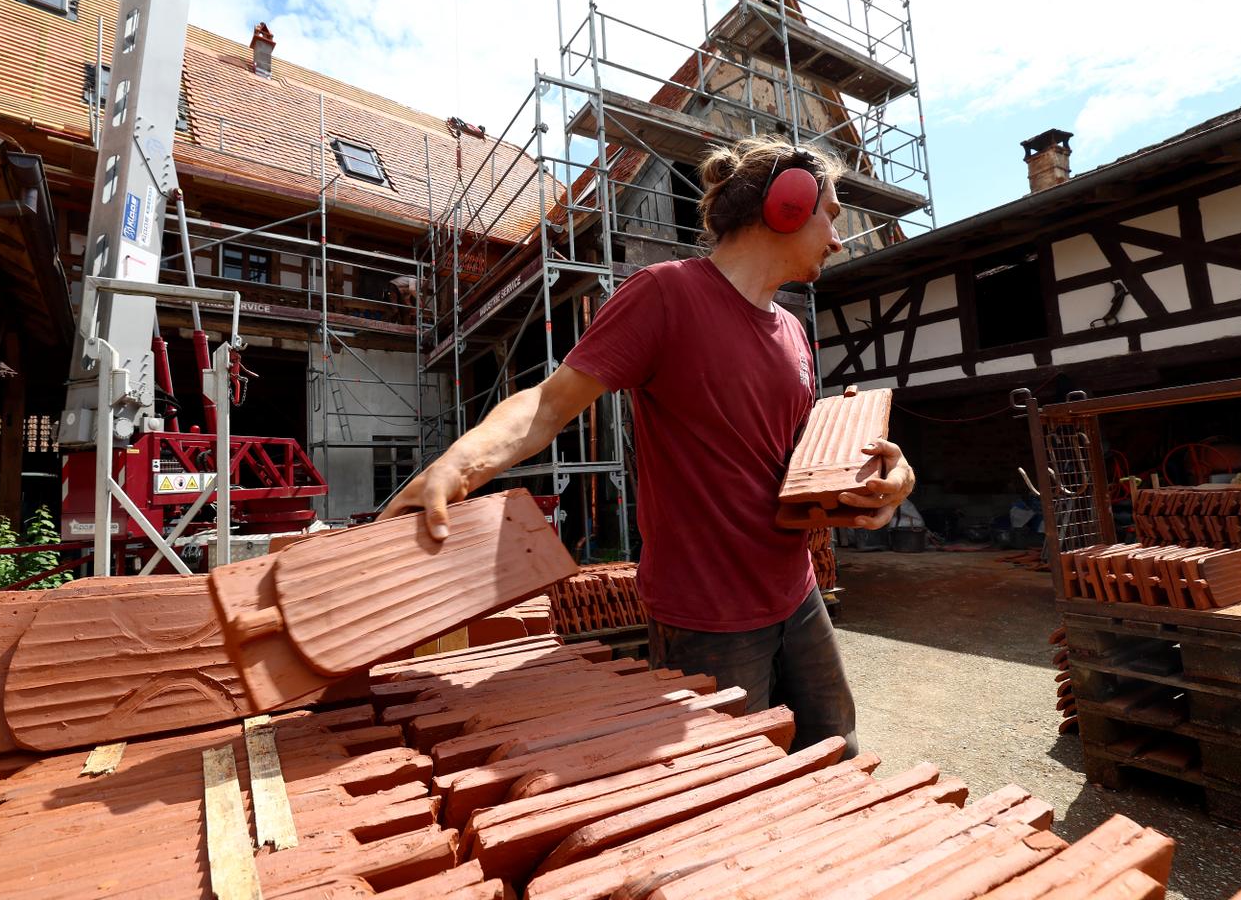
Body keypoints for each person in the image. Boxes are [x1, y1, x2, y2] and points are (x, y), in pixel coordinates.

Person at [381, 136, 915, 754]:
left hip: (796, 592)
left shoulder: (793, 329)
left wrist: (881, 480)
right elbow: (547, 405)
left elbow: (797, 461)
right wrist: (459, 464)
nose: (837, 238)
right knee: (731, 791)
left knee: (836, 754)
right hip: (706, 617)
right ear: (787, 207)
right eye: (830, 214)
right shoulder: (666, 294)